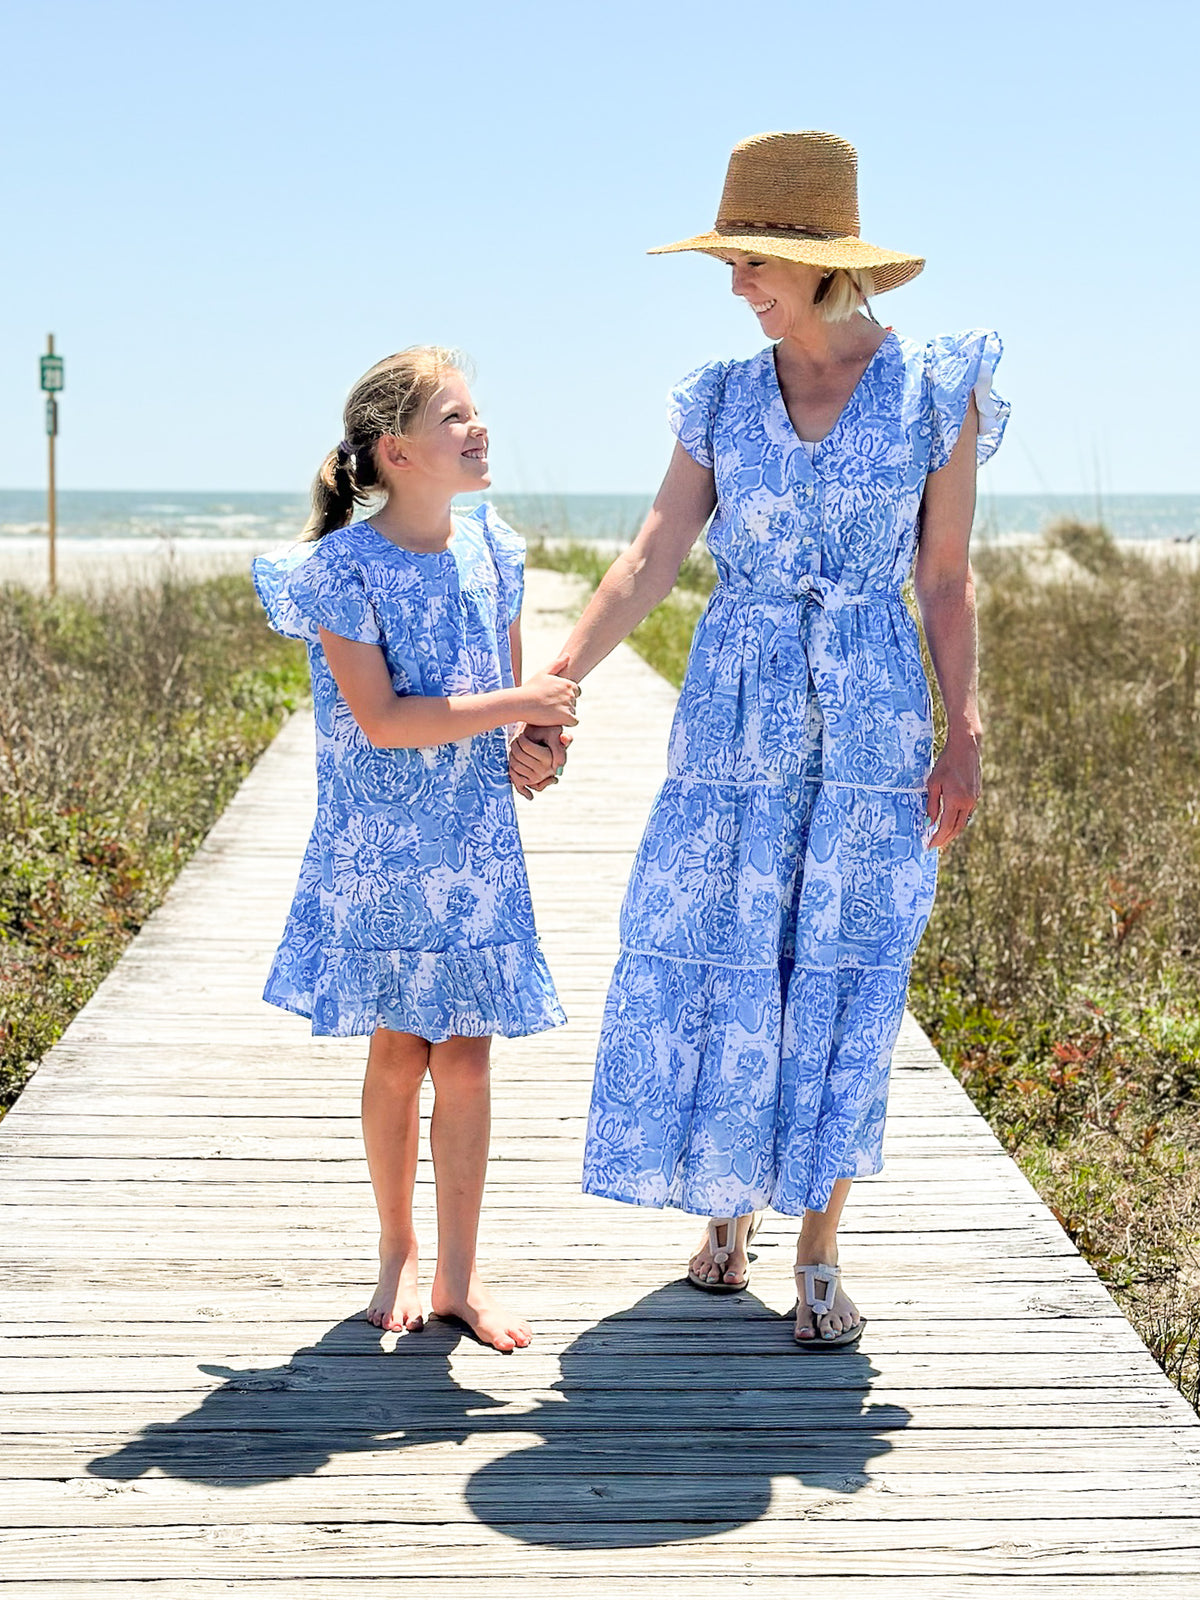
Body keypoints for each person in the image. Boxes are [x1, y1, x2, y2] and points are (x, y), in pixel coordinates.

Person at [510, 131, 1009, 1349]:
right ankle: (725, 1213)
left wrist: (967, 732)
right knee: (722, 950)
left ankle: (821, 1248)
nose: (739, 286)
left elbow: (945, 580)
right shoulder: (723, 396)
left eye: (756, 262)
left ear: (826, 265)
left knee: (845, 966)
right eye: (732, 262)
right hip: (735, 710)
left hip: (874, 717)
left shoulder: (936, 392)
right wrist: (554, 679)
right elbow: (649, 556)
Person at [253, 347, 578, 1352]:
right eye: (455, 417)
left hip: (476, 847)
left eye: (477, 412)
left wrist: (539, 745)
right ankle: (396, 1247)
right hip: (384, 851)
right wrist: (521, 704)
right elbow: (385, 719)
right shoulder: (342, 571)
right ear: (397, 452)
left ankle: (459, 1277)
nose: (478, 429)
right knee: (400, 1050)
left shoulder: (496, 551)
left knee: (469, 1061)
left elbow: (513, 707)